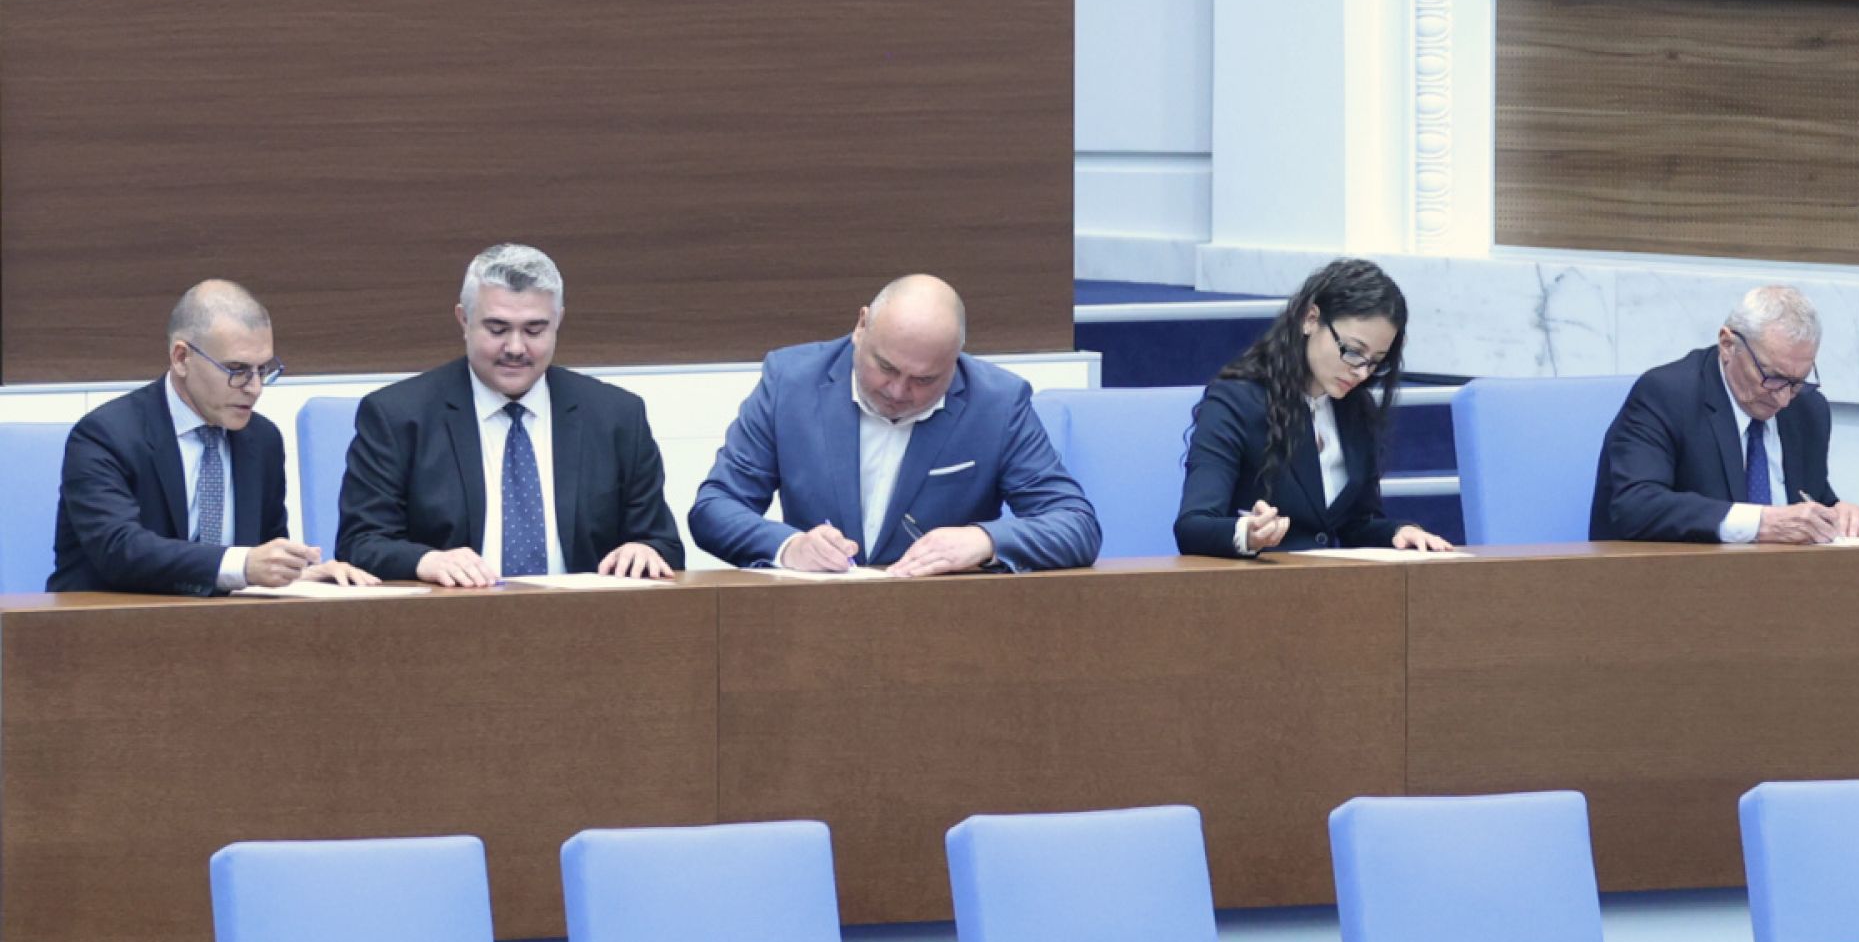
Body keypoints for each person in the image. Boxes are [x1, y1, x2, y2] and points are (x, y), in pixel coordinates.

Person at [689, 274, 1101, 576]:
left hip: (942, 620)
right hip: (811, 614)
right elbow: (715, 508)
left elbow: (1075, 524)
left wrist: (984, 541)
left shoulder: (996, 403)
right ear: (861, 326)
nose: (899, 391)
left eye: (926, 380)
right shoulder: (792, 382)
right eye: (885, 367)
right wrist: (789, 546)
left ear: (955, 360)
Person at [335, 244, 684, 586]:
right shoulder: (397, 415)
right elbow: (359, 543)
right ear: (463, 320)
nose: (515, 348)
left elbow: (664, 543)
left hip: (584, 616)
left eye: (534, 330)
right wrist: (426, 561)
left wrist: (645, 550)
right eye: (497, 329)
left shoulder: (617, 416)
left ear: (558, 322)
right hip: (450, 613)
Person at [48, 281, 377, 595]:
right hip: (113, 621)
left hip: (226, 624)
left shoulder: (262, 440)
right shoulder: (106, 435)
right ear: (181, 358)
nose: (255, 388)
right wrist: (242, 565)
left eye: (263, 370)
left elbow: (263, 552)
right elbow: (120, 549)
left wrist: (296, 574)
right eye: (237, 370)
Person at [1175, 258, 1452, 557]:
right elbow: (1193, 526)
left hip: (1326, 579)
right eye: (1353, 351)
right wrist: (1247, 534)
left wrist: (1398, 532)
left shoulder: (1355, 409)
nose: (1362, 373)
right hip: (1255, 579)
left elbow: (1355, 525)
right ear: (1310, 319)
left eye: (1376, 361)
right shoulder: (1235, 402)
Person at [1590, 285, 1859, 544]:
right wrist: (1759, 523)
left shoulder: (1808, 410)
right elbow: (1635, 506)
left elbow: (1808, 498)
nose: (1784, 399)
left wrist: (1839, 512)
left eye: (1797, 382)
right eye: (1772, 377)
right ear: (1728, 345)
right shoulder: (1667, 395)